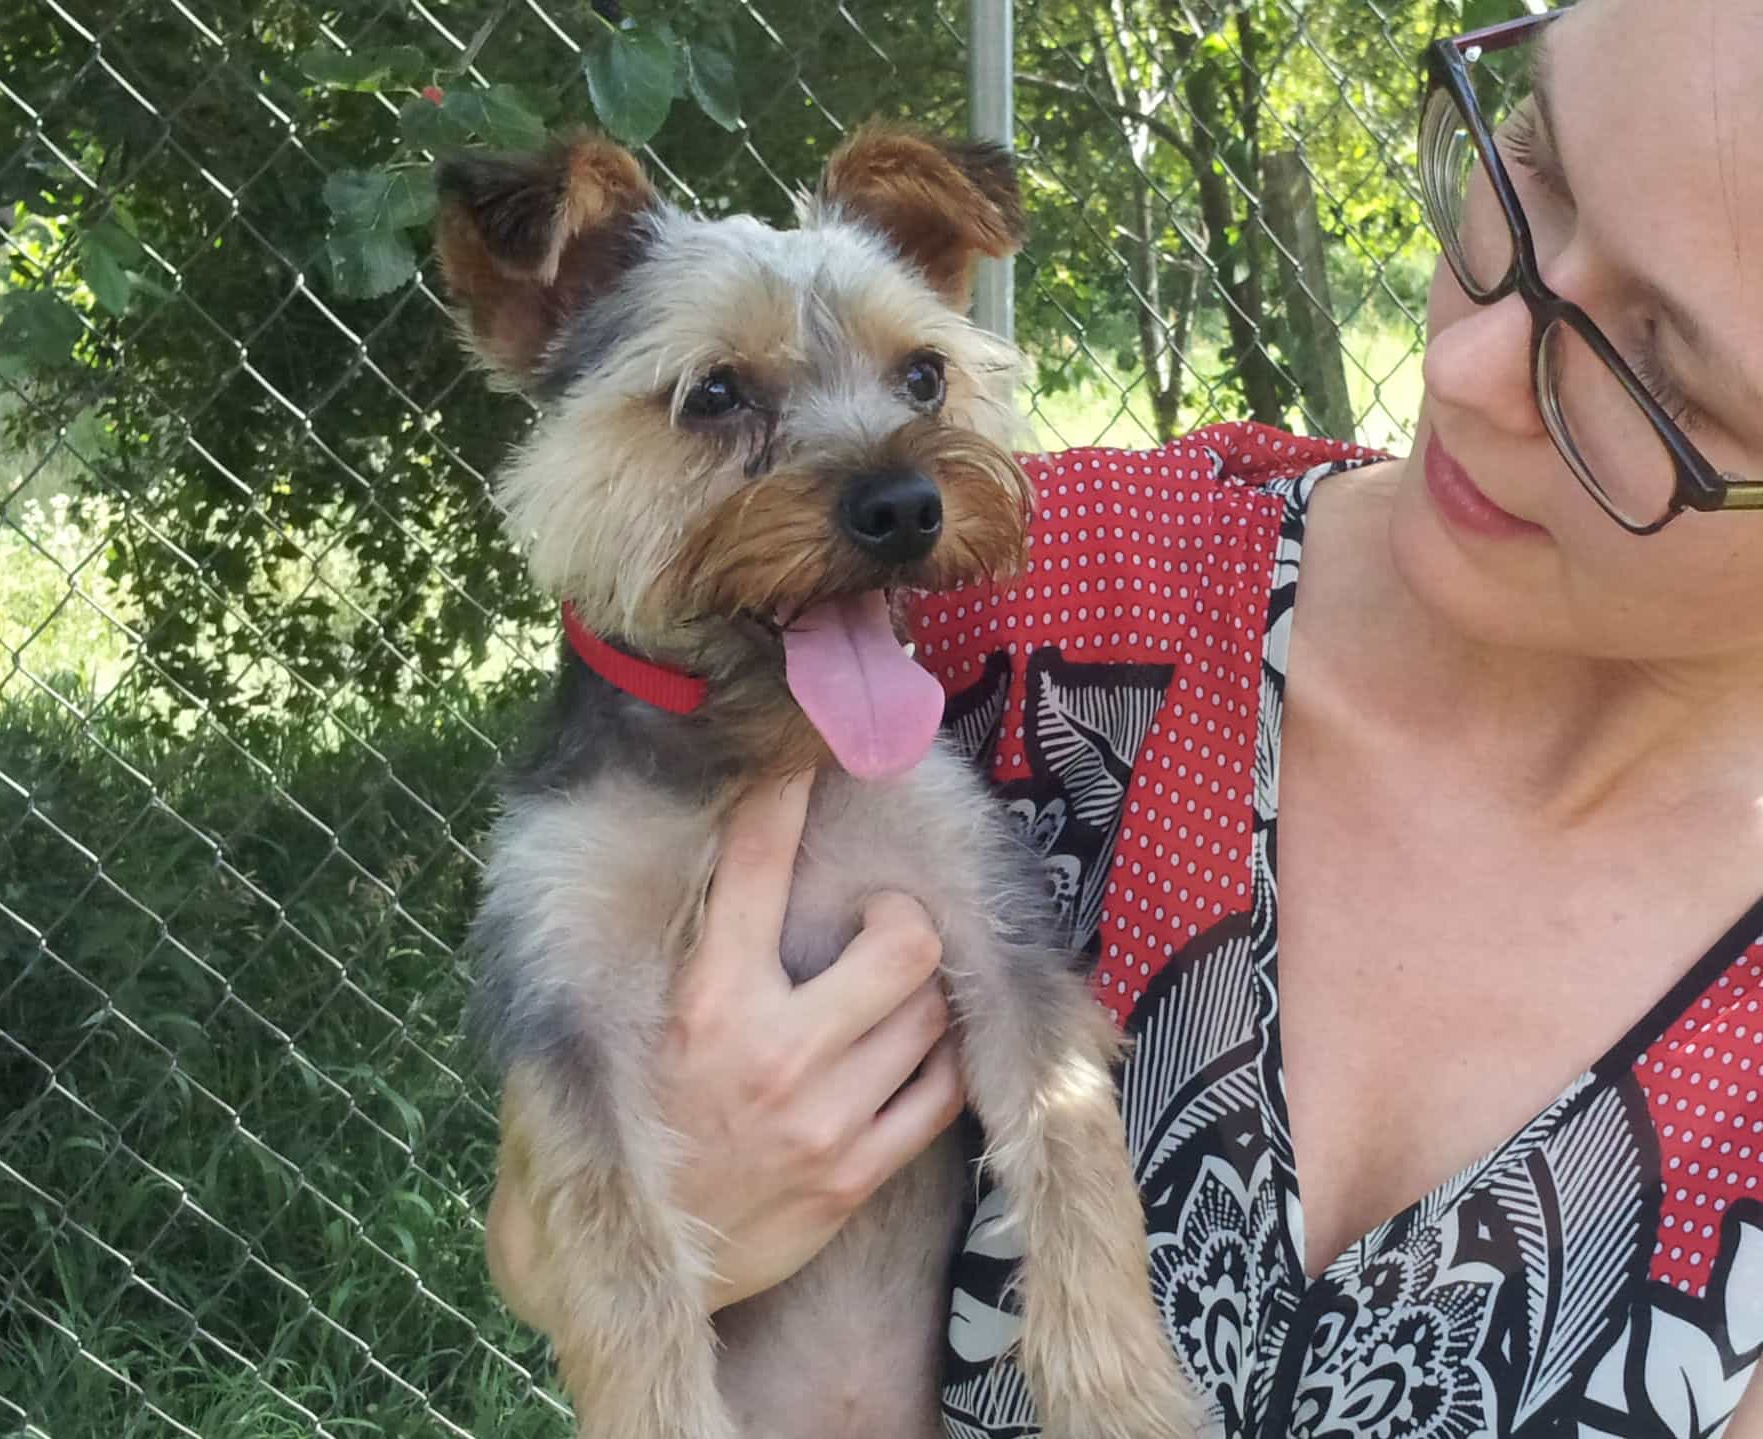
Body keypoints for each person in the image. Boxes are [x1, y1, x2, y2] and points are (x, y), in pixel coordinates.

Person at [486, 0, 1763, 1431]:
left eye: (1669, 376)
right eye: (1535, 160)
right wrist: (630, 1226)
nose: (1462, 373)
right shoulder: (1025, 595)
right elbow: (539, 1220)